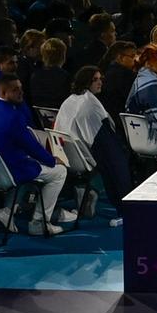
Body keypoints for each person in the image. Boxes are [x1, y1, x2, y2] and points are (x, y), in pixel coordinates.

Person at [0, 75, 71, 235]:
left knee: (30, 164)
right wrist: (52, 160)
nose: (21, 93)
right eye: (15, 90)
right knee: (59, 172)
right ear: (2, 91)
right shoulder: (14, 116)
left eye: (21, 88)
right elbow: (31, 147)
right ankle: (39, 222)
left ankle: (8, 211)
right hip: (12, 170)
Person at [56, 64, 127, 224]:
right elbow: (103, 137)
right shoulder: (89, 104)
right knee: (116, 158)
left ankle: (89, 192)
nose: (100, 82)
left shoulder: (70, 101)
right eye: (95, 80)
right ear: (86, 82)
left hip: (68, 155)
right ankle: (125, 208)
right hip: (82, 156)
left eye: (101, 79)